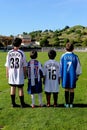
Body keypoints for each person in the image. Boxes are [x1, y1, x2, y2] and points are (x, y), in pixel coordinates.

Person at [5, 37, 29, 108]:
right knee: (20, 88)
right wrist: (25, 74)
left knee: (12, 87)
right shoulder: (21, 53)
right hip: (19, 73)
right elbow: (24, 65)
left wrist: (7, 73)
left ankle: (13, 103)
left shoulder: (9, 52)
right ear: (20, 44)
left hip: (11, 72)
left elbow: (7, 65)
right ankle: (22, 104)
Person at [60, 42, 82, 108]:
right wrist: (77, 75)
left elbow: (60, 67)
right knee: (72, 89)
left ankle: (67, 104)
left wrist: (60, 76)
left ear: (65, 48)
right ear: (73, 49)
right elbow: (78, 67)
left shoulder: (63, 56)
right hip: (72, 76)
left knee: (66, 89)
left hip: (65, 76)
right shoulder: (75, 57)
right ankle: (71, 104)